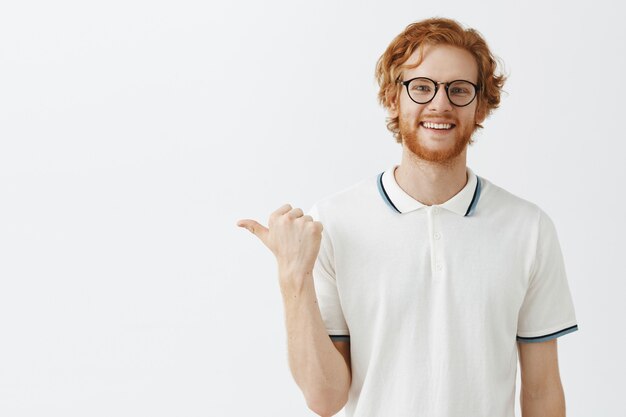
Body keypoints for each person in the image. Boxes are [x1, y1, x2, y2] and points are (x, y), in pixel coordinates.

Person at [237, 17, 578, 417]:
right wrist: (293, 277)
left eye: (459, 90)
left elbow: (542, 393)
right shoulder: (334, 222)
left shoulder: (529, 229)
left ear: (481, 106)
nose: (440, 104)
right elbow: (325, 399)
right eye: (421, 87)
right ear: (393, 98)